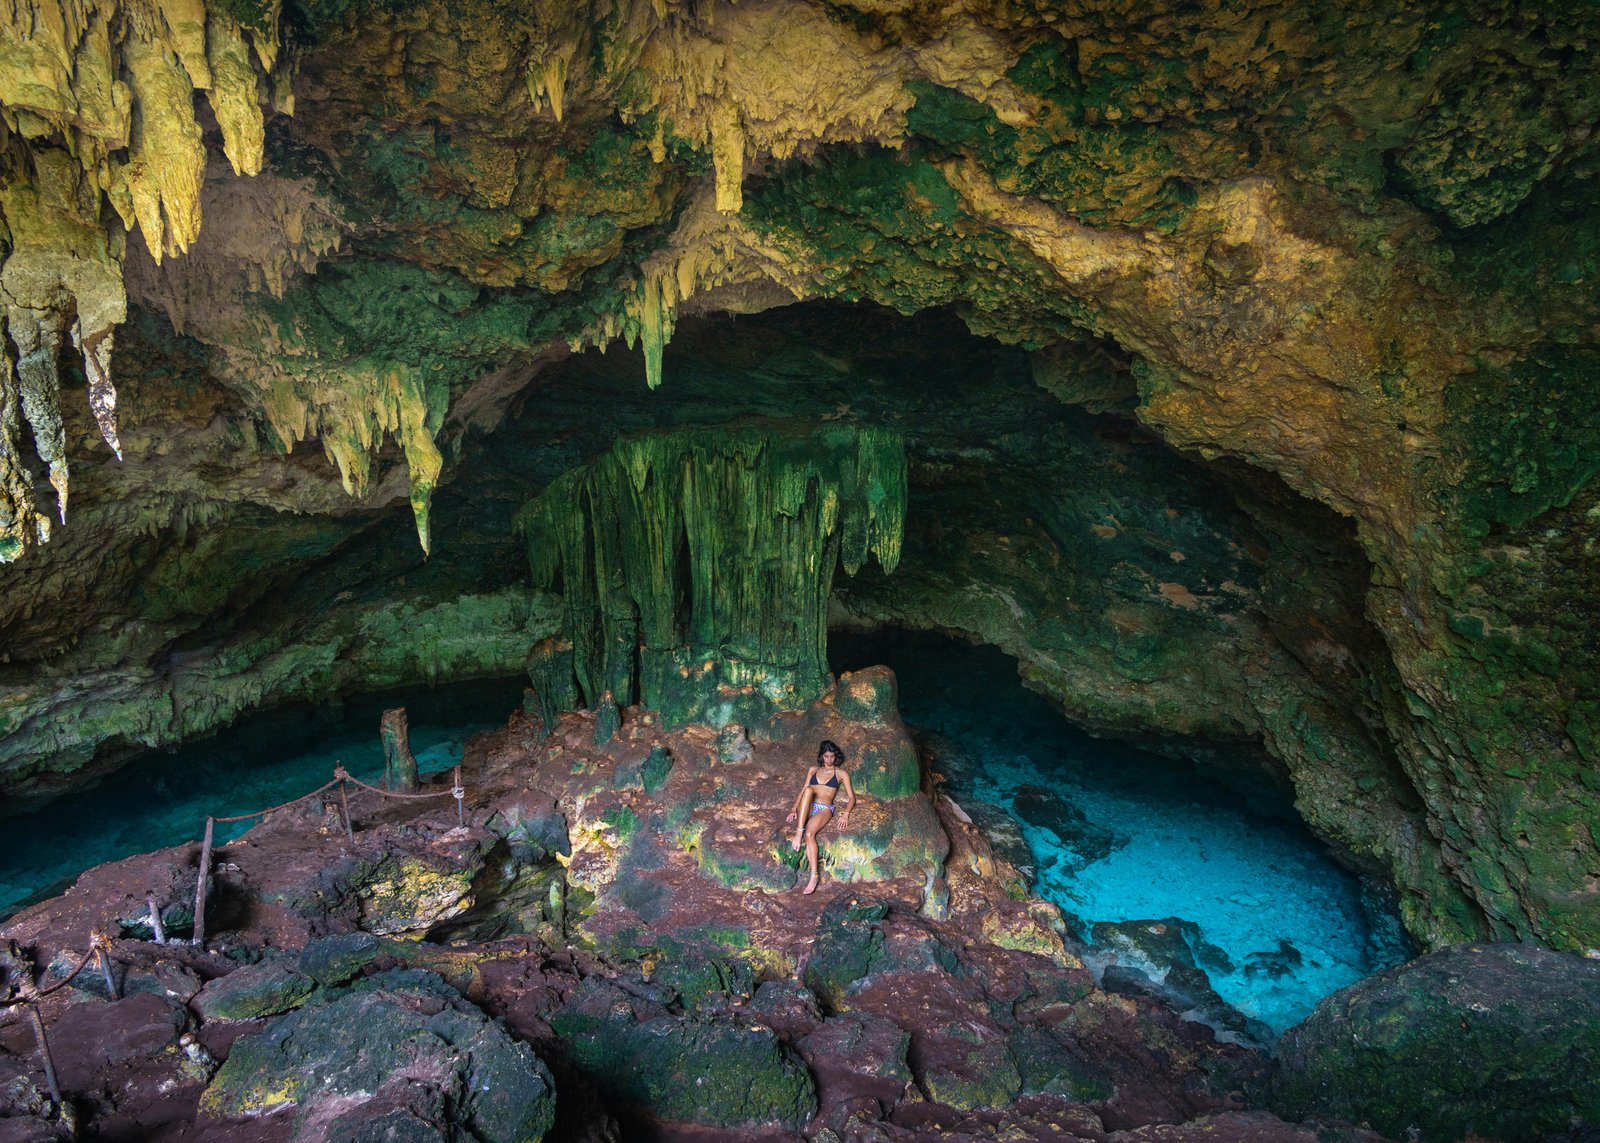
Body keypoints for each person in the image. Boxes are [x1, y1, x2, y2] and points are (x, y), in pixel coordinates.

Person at [785, 740, 856, 895]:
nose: (829, 760)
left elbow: (851, 798)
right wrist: (793, 809)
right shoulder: (813, 770)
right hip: (808, 806)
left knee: (810, 834)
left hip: (824, 809)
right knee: (809, 790)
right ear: (821, 756)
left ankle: (814, 876)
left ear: (835, 757)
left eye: (831, 757)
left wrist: (846, 813)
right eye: (826, 756)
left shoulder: (841, 774)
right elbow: (803, 791)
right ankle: (798, 833)